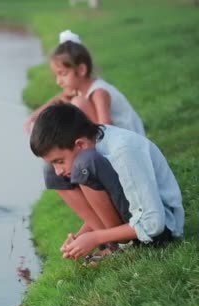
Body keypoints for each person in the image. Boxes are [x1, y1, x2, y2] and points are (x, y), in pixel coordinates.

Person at [25, 30, 148, 243]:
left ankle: (112, 238)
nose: (58, 81)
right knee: (54, 173)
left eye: (63, 74)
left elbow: (105, 128)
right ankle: (107, 238)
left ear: (81, 69)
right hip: (102, 153)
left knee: (83, 162)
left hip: (124, 158)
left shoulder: (98, 92)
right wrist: (34, 117)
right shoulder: (83, 90)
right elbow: (58, 99)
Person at [29, 103, 184, 260]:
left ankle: (118, 246)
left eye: (60, 161)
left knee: (85, 165)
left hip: (161, 231)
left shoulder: (123, 151)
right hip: (132, 221)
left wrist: (96, 238)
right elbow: (114, 200)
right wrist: (81, 237)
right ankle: (114, 244)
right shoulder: (93, 138)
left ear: (80, 144)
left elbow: (153, 224)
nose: (59, 170)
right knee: (50, 173)